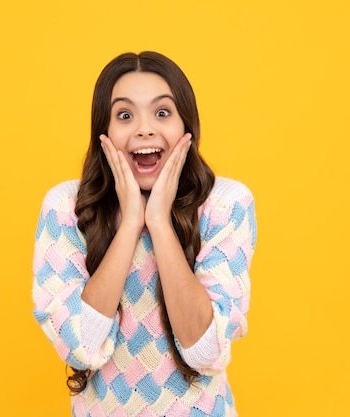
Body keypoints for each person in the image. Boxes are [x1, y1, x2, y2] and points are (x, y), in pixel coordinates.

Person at [32, 51, 257, 417]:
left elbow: (205, 351)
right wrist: (131, 223)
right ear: (103, 132)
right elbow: (80, 346)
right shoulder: (65, 208)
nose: (144, 129)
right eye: (124, 115)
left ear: (188, 127)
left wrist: (159, 224)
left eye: (162, 112)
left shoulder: (226, 204)